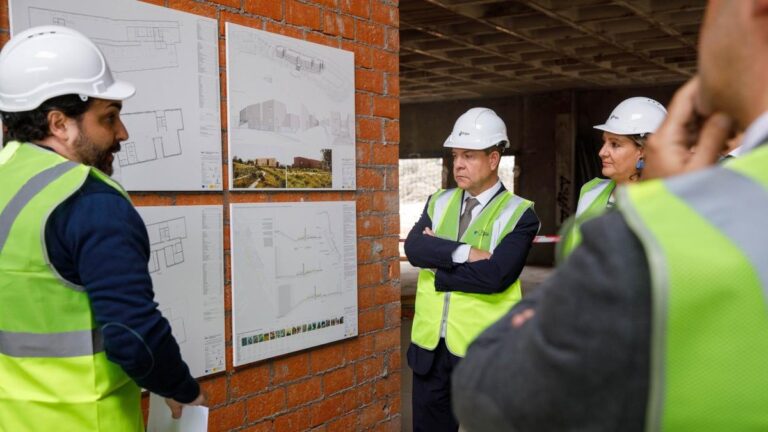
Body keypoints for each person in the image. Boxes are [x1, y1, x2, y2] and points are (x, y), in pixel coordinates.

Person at [452, 0, 768, 430]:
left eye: (617, 144)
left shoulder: (697, 206)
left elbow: (492, 390)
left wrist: (660, 207)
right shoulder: (604, 193)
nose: (603, 151)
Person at [0, 26, 205, 430]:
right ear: (60, 124)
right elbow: (134, 335)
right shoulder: (90, 200)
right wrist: (181, 388)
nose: (122, 133)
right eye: (108, 118)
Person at [404, 107, 540, 431]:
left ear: (494, 159)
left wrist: (437, 267)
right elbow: (413, 249)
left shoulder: (520, 214)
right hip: (430, 350)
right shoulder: (438, 201)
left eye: (469, 155)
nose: (459, 164)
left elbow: (495, 277)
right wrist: (465, 252)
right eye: (455, 156)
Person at [557, 97, 666, 261]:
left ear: (643, 150)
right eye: (604, 142)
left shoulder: (666, 202)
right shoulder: (590, 192)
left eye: (615, 144)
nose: (602, 152)